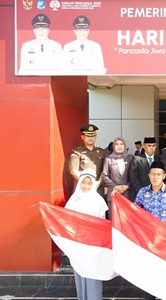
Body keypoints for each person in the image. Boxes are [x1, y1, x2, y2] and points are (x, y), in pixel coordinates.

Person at [134, 161, 166, 300]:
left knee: (165, 270)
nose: (155, 177)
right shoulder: (142, 193)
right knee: (149, 271)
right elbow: (134, 215)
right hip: (148, 241)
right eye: (153, 174)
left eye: (158, 174)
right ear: (149, 175)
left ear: (164, 176)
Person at [65, 168, 108, 300]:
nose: (86, 186)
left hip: (93, 244)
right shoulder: (74, 199)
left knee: (92, 272)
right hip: (78, 243)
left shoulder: (98, 200)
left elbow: (102, 223)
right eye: (84, 183)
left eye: (89, 183)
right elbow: (68, 220)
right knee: (80, 271)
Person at [69, 124, 106, 196]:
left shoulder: (102, 152)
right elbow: (74, 171)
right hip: (82, 188)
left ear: (96, 137)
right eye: (88, 136)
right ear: (82, 137)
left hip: (97, 188)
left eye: (93, 136)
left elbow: (104, 170)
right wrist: (88, 184)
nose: (90, 138)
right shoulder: (77, 153)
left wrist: (98, 182)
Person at [102, 137, 134, 218]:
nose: (119, 146)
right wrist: (116, 187)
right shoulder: (108, 159)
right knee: (114, 220)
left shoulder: (130, 158)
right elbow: (105, 176)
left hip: (127, 194)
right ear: (113, 146)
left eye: (121, 144)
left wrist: (127, 186)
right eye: (117, 144)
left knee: (127, 221)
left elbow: (133, 175)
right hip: (113, 194)